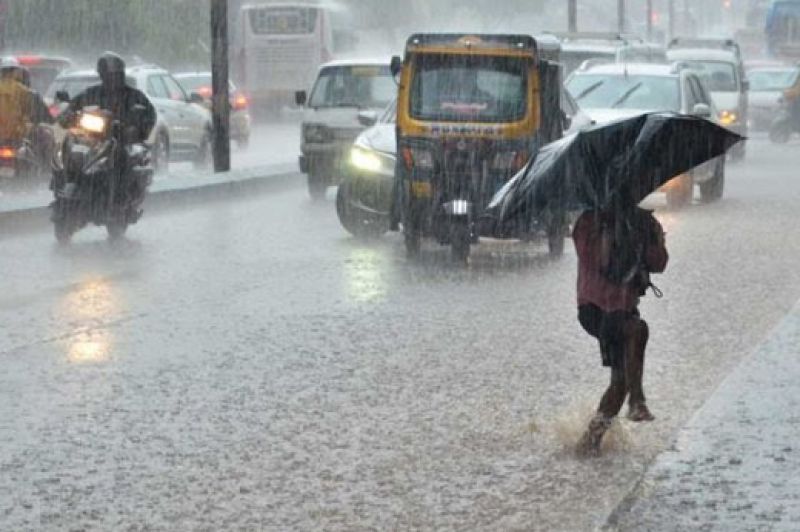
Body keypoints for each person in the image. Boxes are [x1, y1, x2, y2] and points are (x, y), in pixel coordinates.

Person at [573, 202, 669, 457]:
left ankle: (591, 440)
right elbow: (599, 261)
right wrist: (614, 231)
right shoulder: (588, 222)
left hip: (624, 307)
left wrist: (653, 236)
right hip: (596, 308)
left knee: (620, 380)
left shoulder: (643, 222)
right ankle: (637, 399)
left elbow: (659, 262)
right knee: (638, 331)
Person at [60, 52, 156, 144]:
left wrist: (136, 129)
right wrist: (68, 114)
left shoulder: (134, 96)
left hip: (120, 138)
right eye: (106, 74)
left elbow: (150, 114)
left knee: (121, 153)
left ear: (121, 74)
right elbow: (75, 103)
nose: (111, 78)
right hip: (92, 137)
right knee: (73, 139)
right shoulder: (93, 93)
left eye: (114, 75)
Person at [0, 58, 54, 168]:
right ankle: (45, 171)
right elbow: (44, 115)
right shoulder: (26, 92)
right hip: (17, 136)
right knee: (47, 137)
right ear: (16, 72)